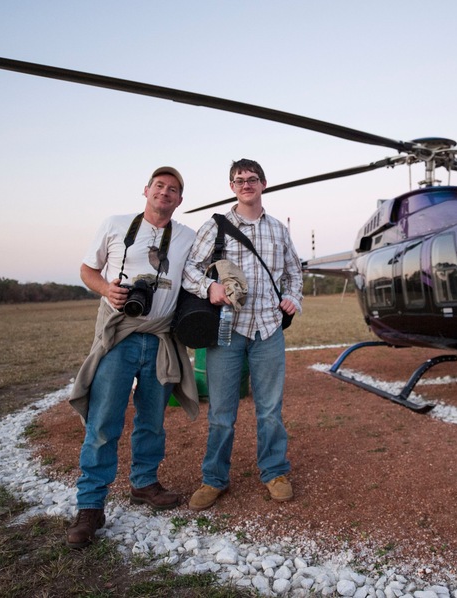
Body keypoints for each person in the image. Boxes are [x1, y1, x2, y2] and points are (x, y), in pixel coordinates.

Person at [66, 166, 200, 548]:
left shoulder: (187, 235)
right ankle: (90, 506)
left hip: (160, 338)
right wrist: (107, 289)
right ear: (146, 190)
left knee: (152, 419)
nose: (165, 193)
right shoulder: (115, 224)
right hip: (120, 337)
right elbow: (87, 269)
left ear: (179, 199)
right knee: (104, 419)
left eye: (173, 189)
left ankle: (143, 483)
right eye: (159, 186)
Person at [183, 158, 303, 510]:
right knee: (221, 412)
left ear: (263, 184)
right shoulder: (215, 227)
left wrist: (293, 297)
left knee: (270, 410)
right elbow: (191, 267)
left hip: (268, 329)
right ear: (232, 187)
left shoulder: (279, 229)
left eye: (252, 179)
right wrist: (208, 288)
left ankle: (275, 472)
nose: (246, 184)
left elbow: (294, 273)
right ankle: (214, 478)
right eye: (239, 180)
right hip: (227, 330)